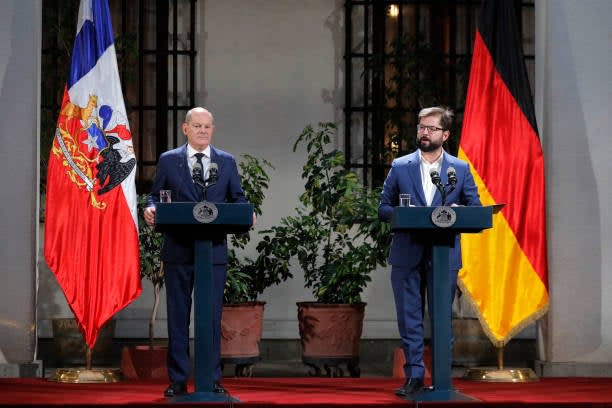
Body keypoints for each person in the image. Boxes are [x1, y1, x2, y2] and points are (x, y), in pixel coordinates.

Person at [144, 107, 253, 397]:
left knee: (212, 317)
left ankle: (210, 378)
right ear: (185, 129)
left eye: (208, 126)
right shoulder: (169, 161)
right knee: (178, 316)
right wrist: (150, 209)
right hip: (178, 249)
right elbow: (155, 196)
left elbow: (238, 198)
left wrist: (247, 214)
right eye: (197, 126)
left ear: (212, 130)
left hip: (213, 251)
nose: (203, 130)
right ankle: (178, 379)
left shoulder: (226, 162)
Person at [378, 106, 481, 397]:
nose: (424, 132)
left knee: (440, 318)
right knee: (409, 316)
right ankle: (413, 377)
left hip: (443, 254)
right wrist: (403, 213)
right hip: (407, 252)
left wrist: (460, 211)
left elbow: (474, 208)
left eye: (431, 128)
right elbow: (383, 208)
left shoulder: (458, 169)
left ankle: (442, 378)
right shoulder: (400, 166)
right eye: (421, 127)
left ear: (445, 134)